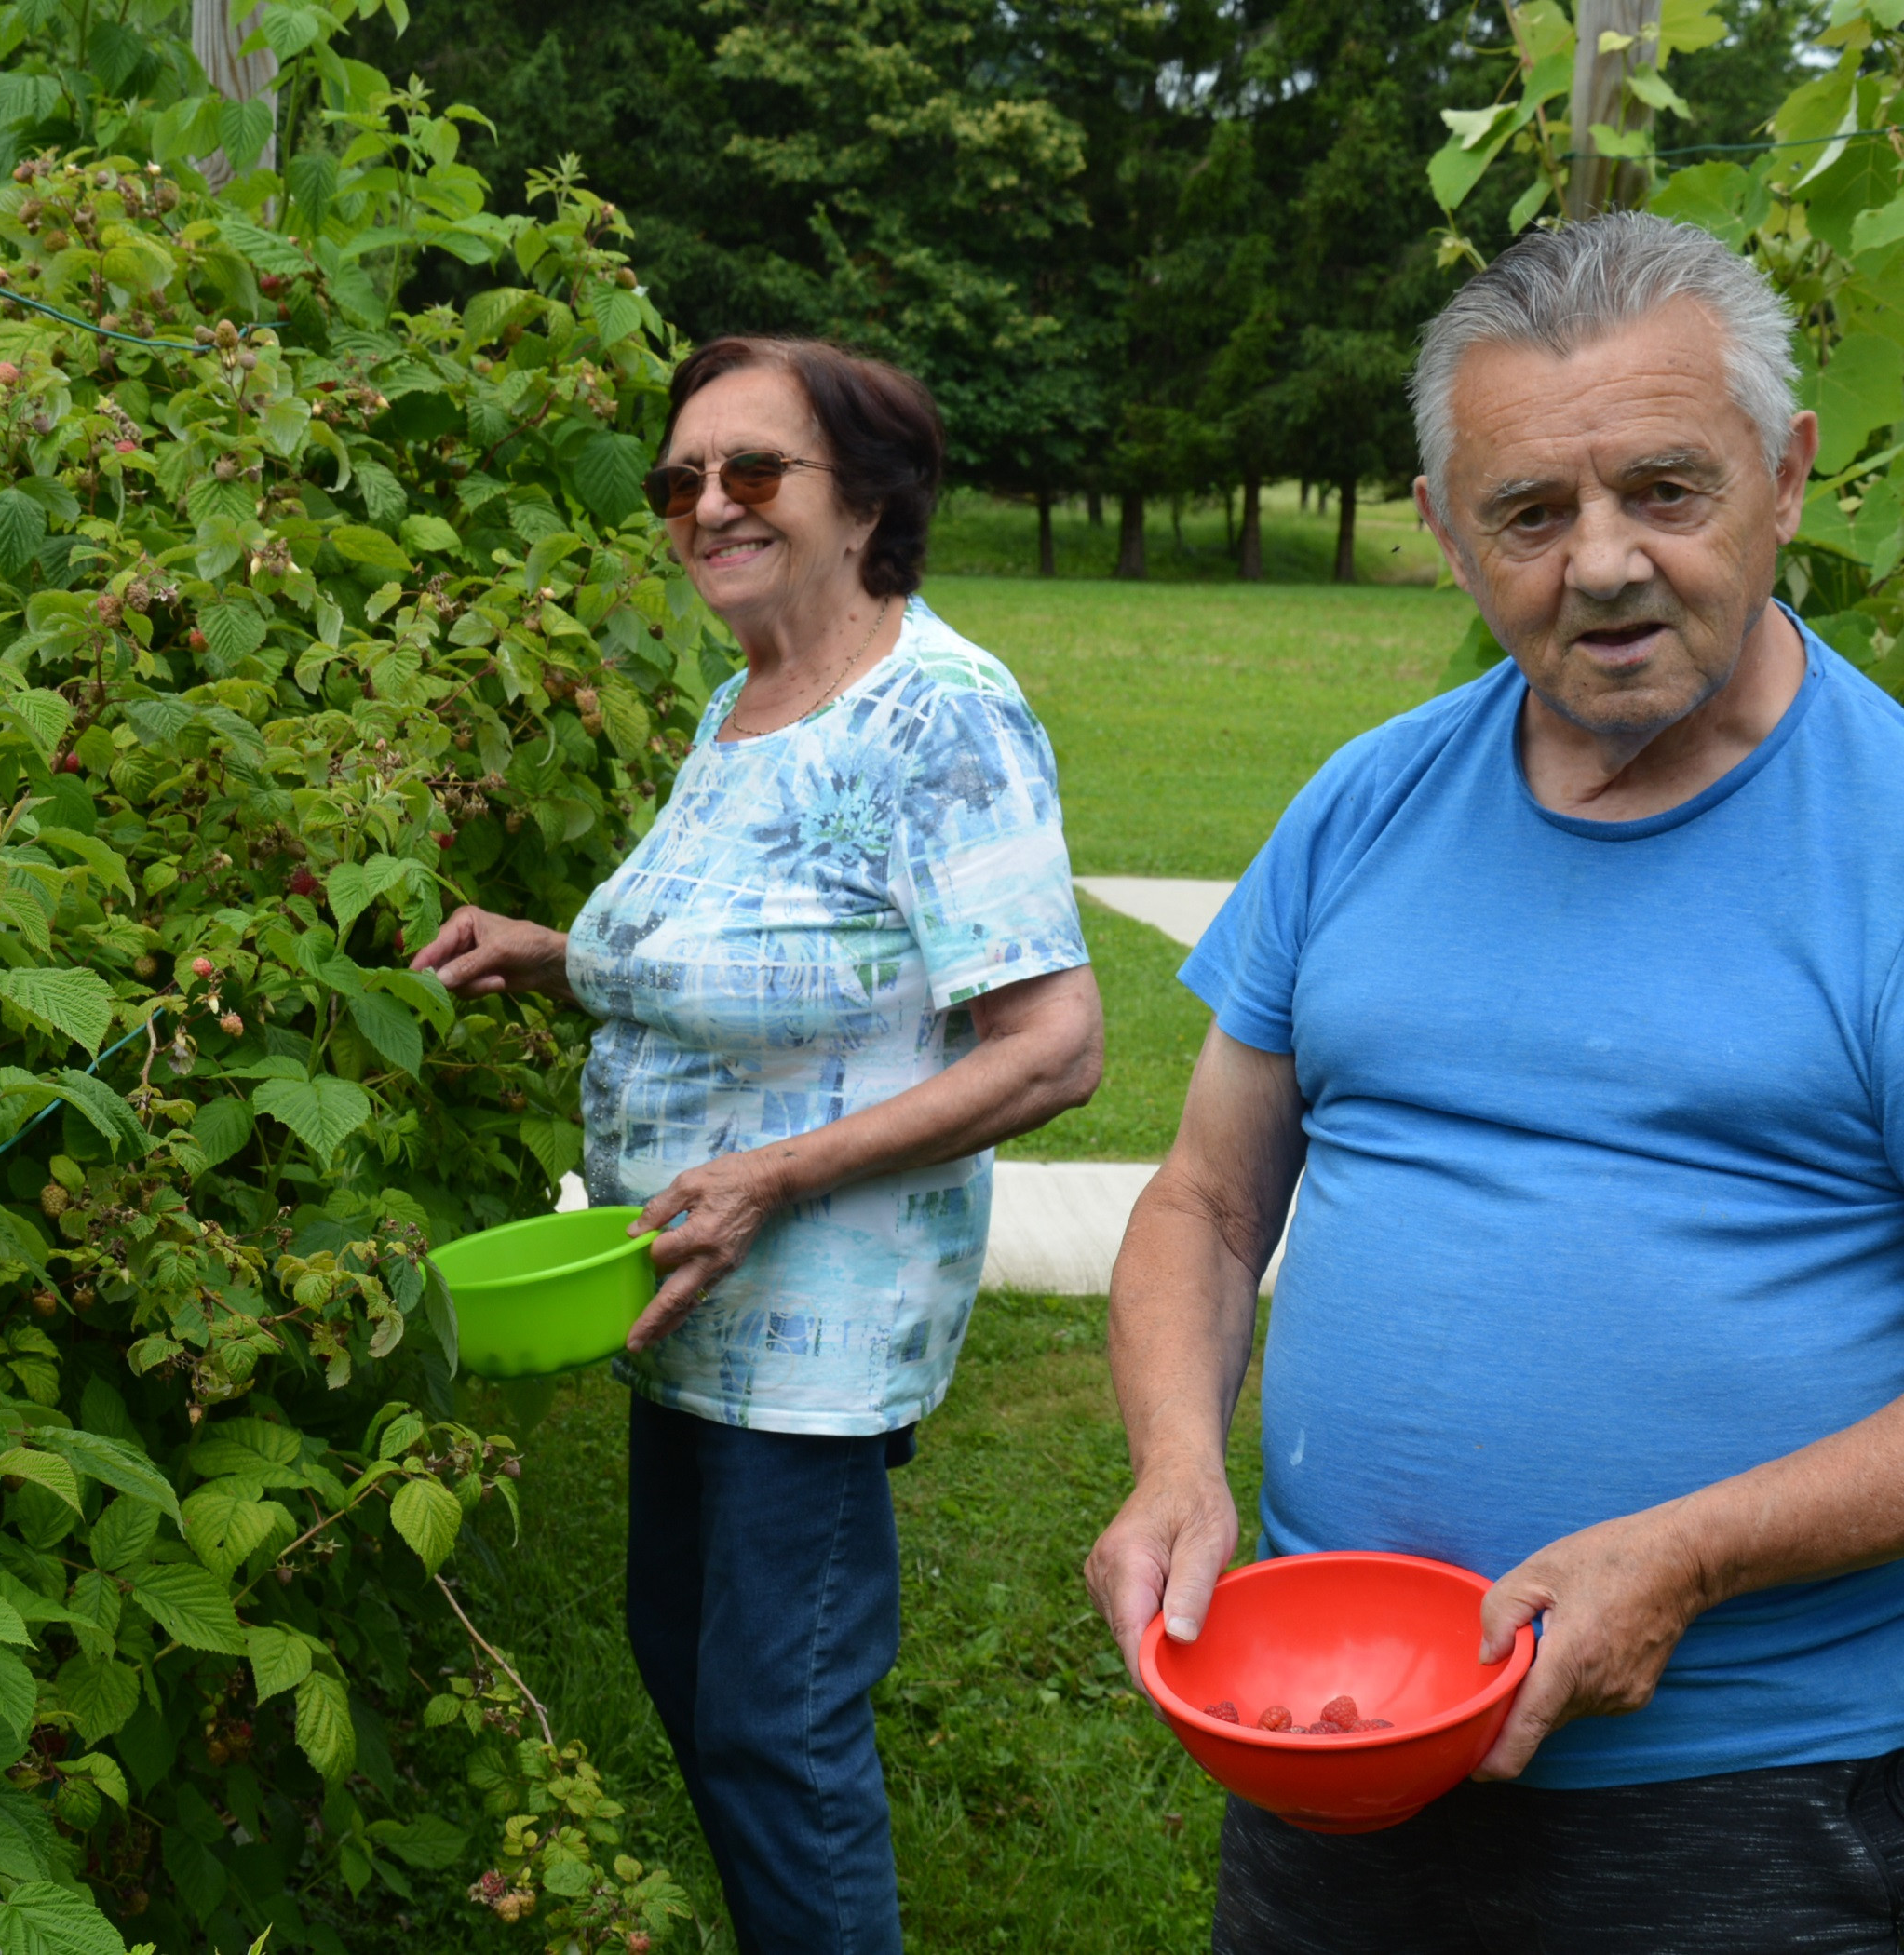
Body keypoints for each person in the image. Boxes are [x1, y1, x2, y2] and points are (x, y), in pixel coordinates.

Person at [1082, 212, 1904, 1953]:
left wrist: (1690, 1556)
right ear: (1445, 532)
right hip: (1337, 1733)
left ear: (1785, 476)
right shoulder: (1362, 804)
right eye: (1529, 512)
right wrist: (1169, 1469)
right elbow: (1206, 1205)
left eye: (1663, 490)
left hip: (1746, 1793)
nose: (1599, 564)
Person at [412, 335, 1102, 1954]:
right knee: (689, 1669)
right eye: (678, 482)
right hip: (678, 1285)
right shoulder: (749, 702)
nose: (705, 505)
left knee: (775, 1727)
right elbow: (766, 952)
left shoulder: (935, 715)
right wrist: (558, 953)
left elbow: (1055, 1046)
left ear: (865, 500)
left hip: (811, 1314)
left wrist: (777, 1175)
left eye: (750, 472)